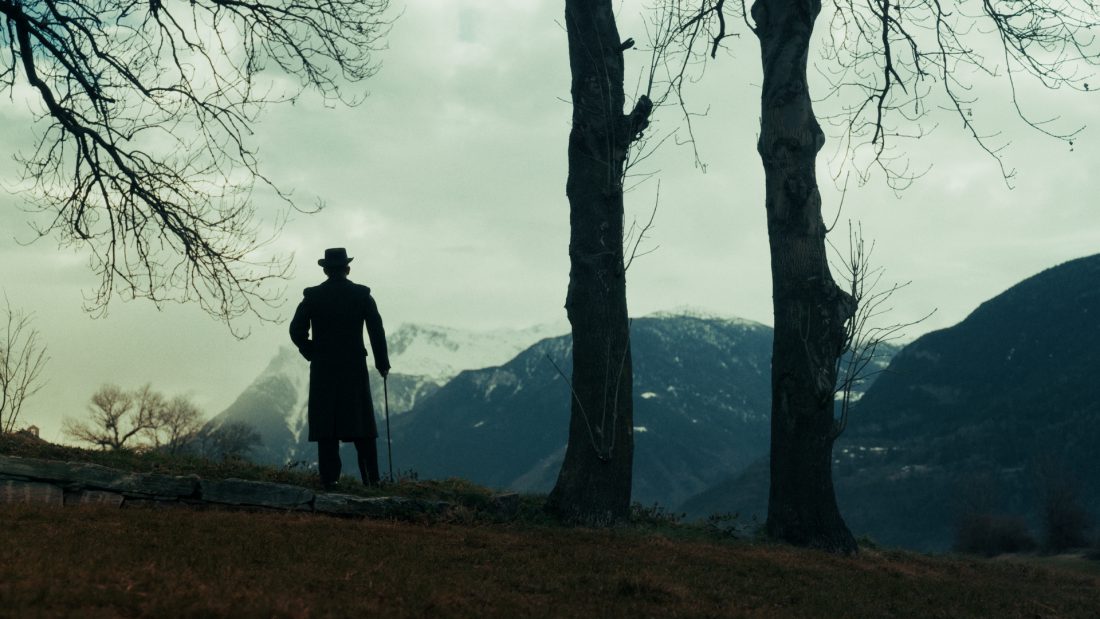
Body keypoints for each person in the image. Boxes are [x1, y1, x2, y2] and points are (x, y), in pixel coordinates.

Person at [289, 248, 391, 489]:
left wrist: (312, 352)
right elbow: (376, 331)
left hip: (323, 369)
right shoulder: (362, 295)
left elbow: (296, 330)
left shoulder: (313, 296)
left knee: (327, 426)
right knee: (361, 425)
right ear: (347, 269)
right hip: (353, 367)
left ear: (325, 270)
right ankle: (372, 481)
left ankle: (329, 480)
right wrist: (382, 364)